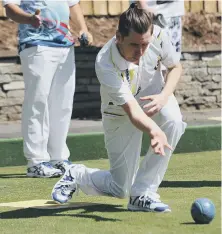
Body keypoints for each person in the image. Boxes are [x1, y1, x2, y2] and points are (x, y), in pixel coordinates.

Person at [51, 3, 186, 212]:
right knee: (119, 187)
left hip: (154, 97)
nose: (140, 52)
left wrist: (163, 97)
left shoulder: (158, 35)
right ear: (119, 37)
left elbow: (175, 67)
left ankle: (143, 193)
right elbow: (132, 110)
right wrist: (154, 130)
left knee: (174, 120)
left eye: (145, 45)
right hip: (120, 111)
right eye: (134, 45)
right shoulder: (104, 62)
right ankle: (77, 175)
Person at [3, 0, 93, 178]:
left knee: (63, 104)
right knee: (38, 104)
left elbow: (72, 4)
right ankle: (36, 161)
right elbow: (10, 9)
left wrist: (83, 28)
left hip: (65, 46)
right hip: (37, 44)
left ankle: (59, 158)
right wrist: (29, 19)